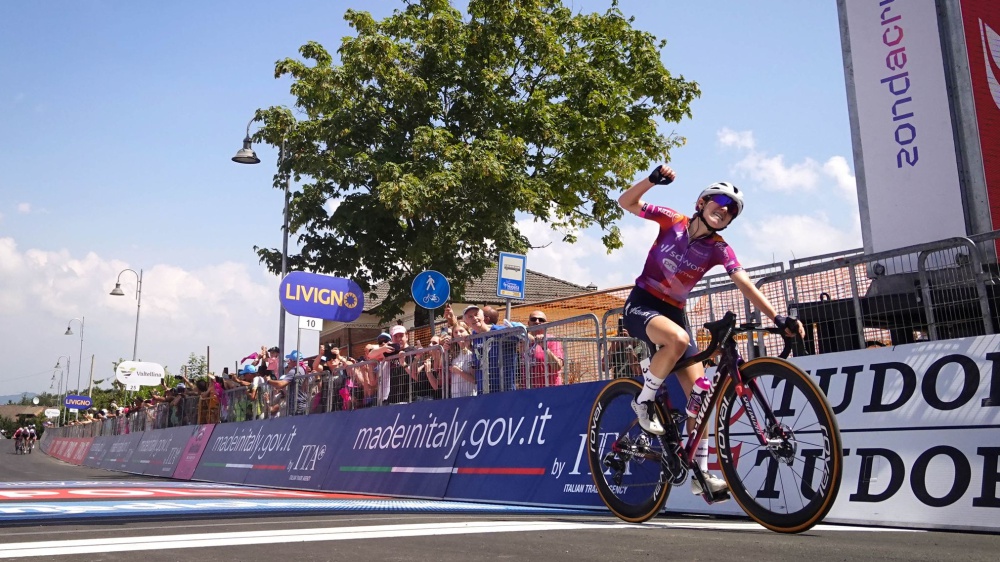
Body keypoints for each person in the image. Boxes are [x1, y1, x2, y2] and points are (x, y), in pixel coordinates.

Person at [618, 164, 804, 499]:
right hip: (642, 304)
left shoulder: (719, 248)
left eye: (733, 209)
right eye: (719, 200)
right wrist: (652, 180)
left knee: (702, 395)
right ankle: (642, 403)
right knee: (678, 339)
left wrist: (778, 318)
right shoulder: (672, 220)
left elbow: (744, 282)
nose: (725, 208)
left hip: (674, 312)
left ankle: (700, 473)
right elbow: (625, 202)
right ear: (700, 203)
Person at [526, 310, 564, 388]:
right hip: (527, 393)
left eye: (541, 320)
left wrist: (544, 347)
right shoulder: (523, 341)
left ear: (546, 324)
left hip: (549, 391)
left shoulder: (552, 340)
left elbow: (557, 366)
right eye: (533, 319)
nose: (537, 322)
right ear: (528, 323)